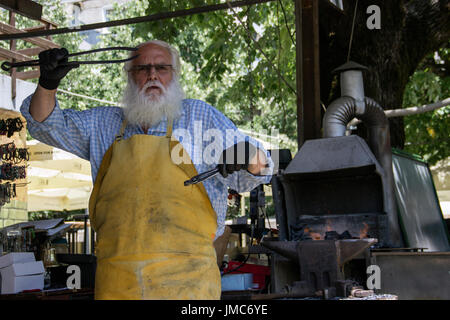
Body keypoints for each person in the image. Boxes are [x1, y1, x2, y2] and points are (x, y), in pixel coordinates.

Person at [21, 40, 273, 300]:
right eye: (142, 68)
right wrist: (47, 85)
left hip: (188, 283)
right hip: (117, 282)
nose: (152, 75)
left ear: (174, 75)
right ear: (129, 76)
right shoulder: (103, 123)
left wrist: (248, 154)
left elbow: (261, 169)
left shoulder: (201, 118)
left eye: (161, 68)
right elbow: (45, 125)